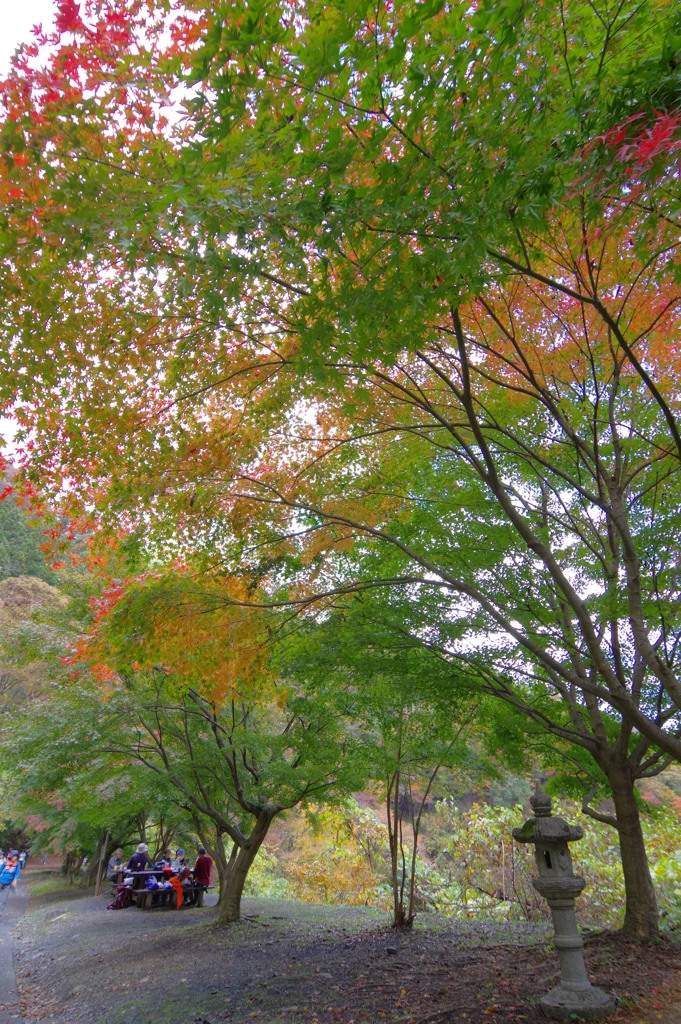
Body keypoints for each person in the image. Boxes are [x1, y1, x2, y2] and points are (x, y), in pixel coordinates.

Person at [0, 851, 21, 917]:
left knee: (3, 900)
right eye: (14, 856)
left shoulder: (17, 864)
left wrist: (15, 880)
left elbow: (17, 873)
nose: (15, 858)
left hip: (8, 885)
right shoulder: (5, 863)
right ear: (11, 856)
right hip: (0, 882)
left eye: (16, 857)